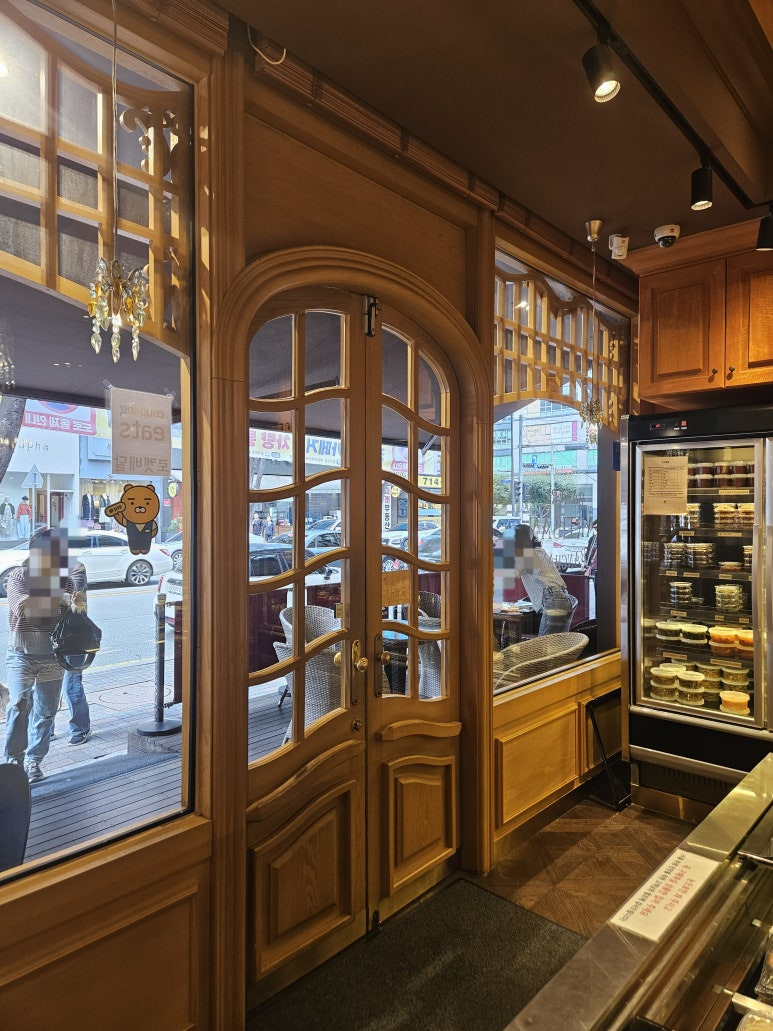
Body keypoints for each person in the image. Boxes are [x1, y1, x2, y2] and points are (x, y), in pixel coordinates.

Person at [3, 527, 87, 782]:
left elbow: (75, 612)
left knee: (46, 712)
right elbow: (22, 607)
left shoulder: (66, 580)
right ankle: (13, 762)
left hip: (53, 657)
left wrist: (74, 603)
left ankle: (33, 761)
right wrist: (61, 599)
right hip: (22, 655)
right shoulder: (19, 576)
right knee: (18, 704)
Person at [513, 524, 574, 635]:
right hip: (565, 598)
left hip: (553, 599)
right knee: (559, 642)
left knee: (544, 643)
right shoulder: (540, 551)